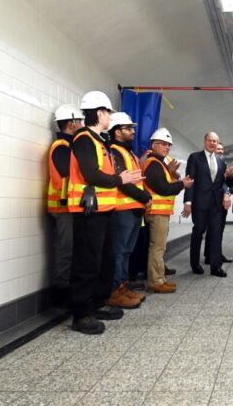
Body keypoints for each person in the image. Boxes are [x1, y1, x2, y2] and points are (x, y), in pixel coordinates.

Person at [67, 91, 143, 335]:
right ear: (99, 113)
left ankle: (98, 303)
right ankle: (81, 314)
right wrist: (119, 178)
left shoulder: (100, 141)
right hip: (89, 212)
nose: (109, 116)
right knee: (87, 263)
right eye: (108, 112)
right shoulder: (83, 139)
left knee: (104, 261)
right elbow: (90, 173)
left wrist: (117, 179)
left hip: (105, 209)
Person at [106, 112, 152, 308]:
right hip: (122, 209)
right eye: (128, 128)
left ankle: (123, 287)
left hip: (133, 209)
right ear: (117, 131)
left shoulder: (129, 153)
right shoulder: (114, 152)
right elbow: (123, 182)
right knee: (119, 252)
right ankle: (115, 291)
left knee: (126, 252)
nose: (133, 131)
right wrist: (145, 197)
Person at [144, 128, 193, 292]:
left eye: (169, 145)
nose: (167, 148)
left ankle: (160, 278)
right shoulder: (153, 164)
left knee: (159, 247)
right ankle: (156, 282)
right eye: (163, 144)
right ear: (154, 145)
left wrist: (173, 175)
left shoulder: (160, 164)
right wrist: (182, 184)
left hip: (161, 212)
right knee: (157, 248)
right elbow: (163, 188)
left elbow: (166, 184)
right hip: (156, 212)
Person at [182, 132, 233, 277]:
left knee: (216, 234)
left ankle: (215, 267)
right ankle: (195, 263)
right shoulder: (195, 157)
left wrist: (226, 193)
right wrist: (188, 202)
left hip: (216, 205)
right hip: (199, 203)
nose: (213, 143)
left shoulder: (221, 162)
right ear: (205, 141)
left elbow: (222, 183)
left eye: (215, 141)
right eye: (210, 140)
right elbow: (190, 180)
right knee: (198, 232)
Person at [46, 104, 84, 306]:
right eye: (80, 121)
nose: (82, 125)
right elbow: (68, 175)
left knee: (71, 250)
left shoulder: (68, 146)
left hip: (70, 207)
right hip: (63, 207)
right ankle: (63, 293)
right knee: (66, 250)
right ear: (71, 123)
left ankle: (69, 291)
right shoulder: (61, 147)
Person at [204, 142, 233, 265]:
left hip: (222, 203)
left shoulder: (223, 164)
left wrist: (229, 176)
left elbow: (229, 183)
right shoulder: (208, 164)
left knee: (219, 229)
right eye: (218, 149)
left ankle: (214, 254)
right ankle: (210, 256)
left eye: (222, 149)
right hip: (212, 202)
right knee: (212, 229)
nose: (220, 151)